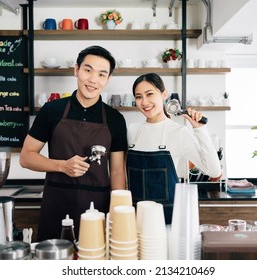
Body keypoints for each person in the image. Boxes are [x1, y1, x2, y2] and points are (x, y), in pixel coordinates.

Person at [19, 45, 128, 241]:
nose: (93, 79)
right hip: (57, 204)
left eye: (102, 74)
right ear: (76, 70)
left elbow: (118, 171)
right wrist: (62, 165)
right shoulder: (52, 110)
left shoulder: (115, 119)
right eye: (88, 70)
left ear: (108, 79)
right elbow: (26, 157)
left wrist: (119, 212)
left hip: (99, 208)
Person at [126, 73, 222, 224]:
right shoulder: (133, 131)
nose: (144, 102)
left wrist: (200, 129)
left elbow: (214, 171)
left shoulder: (178, 132)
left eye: (149, 94)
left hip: (168, 217)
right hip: (135, 216)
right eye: (138, 97)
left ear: (164, 94)